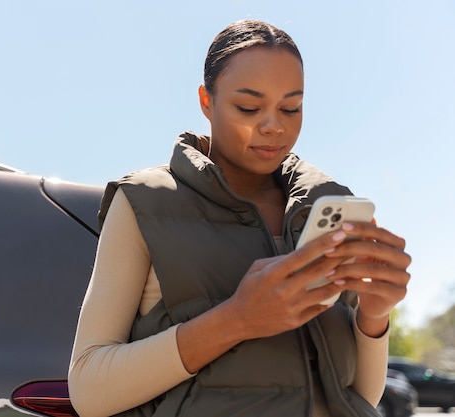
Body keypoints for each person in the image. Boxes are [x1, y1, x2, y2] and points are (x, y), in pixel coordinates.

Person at [68, 19, 411, 417]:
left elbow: (357, 398)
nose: (274, 126)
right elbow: (89, 390)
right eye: (249, 107)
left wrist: (374, 316)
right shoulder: (145, 201)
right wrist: (236, 320)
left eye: (291, 107)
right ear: (206, 102)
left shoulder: (327, 207)